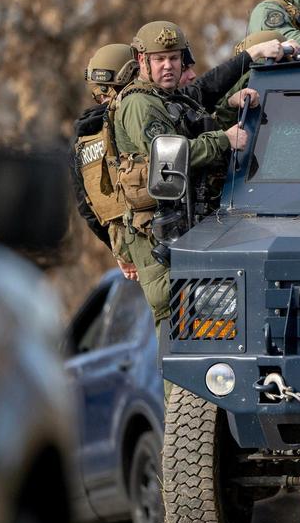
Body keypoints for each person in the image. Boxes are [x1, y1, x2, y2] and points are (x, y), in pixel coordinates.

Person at [110, 21, 280, 330]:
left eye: (174, 59)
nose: (168, 66)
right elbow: (168, 155)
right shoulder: (140, 104)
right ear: (141, 61)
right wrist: (223, 140)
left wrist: (231, 107)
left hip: (187, 221)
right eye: (159, 59)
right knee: (175, 316)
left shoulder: (170, 98)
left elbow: (202, 103)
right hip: (156, 230)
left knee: (207, 314)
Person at [74, 44, 139, 277]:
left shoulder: (84, 136)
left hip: (127, 248)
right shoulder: (135, 117)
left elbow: (87, 207)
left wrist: (120, 250)